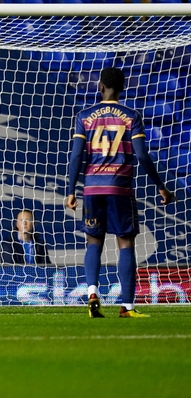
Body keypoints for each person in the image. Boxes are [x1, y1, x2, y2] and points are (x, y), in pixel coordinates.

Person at [65, 67, 175, 319]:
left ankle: (92, 292)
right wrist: (160, 186)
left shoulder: (84, 115)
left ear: (100, 87)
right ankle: (126, 306)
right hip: (120, 188)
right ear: (122, 88)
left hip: (92, 188)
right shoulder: (131, 115)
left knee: (94, 241)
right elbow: (142, 155)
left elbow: (76, 156)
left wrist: (71, 190)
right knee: (125, 243)